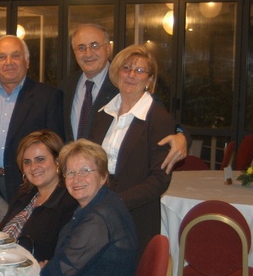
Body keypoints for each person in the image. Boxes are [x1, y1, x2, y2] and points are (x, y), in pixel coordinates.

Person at [20, 139, 138, 276]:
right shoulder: (99, 204)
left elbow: (61, 273)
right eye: (71, 172)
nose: (77, 179)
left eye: (85, 171)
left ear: (103, 175)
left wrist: (40, 271)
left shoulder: (99, 217)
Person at [61, 23, 187, 172]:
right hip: (72, 176)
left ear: (108, 49)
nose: (88, 53)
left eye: (94, 45)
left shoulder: (127, 84)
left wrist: (181, 136)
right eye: (81, 47)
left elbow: (162, 119)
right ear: (74, 52)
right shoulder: (67, 85)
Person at [90, 44, 175, 254]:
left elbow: (160, 180)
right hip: (96, 211)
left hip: (135, 217)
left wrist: (117, 201)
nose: (131, 75)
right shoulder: (103, 114)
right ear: (117, 72)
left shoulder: (159, 118)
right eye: (126, 68)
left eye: (139, 70)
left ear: (150, 80)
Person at [0, 35, 65, 204]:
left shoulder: (48, 97)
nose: (8, 62)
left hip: (30, 184)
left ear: (27, 61)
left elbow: (55, 147)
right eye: (1, 57)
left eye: (15, 56)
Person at [0, 130, 77, 263]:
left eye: (40, 159)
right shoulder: (23, 194)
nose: (33, 167)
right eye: (27, 162)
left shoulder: (69, 202)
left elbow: (66, 254)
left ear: (57, 161)